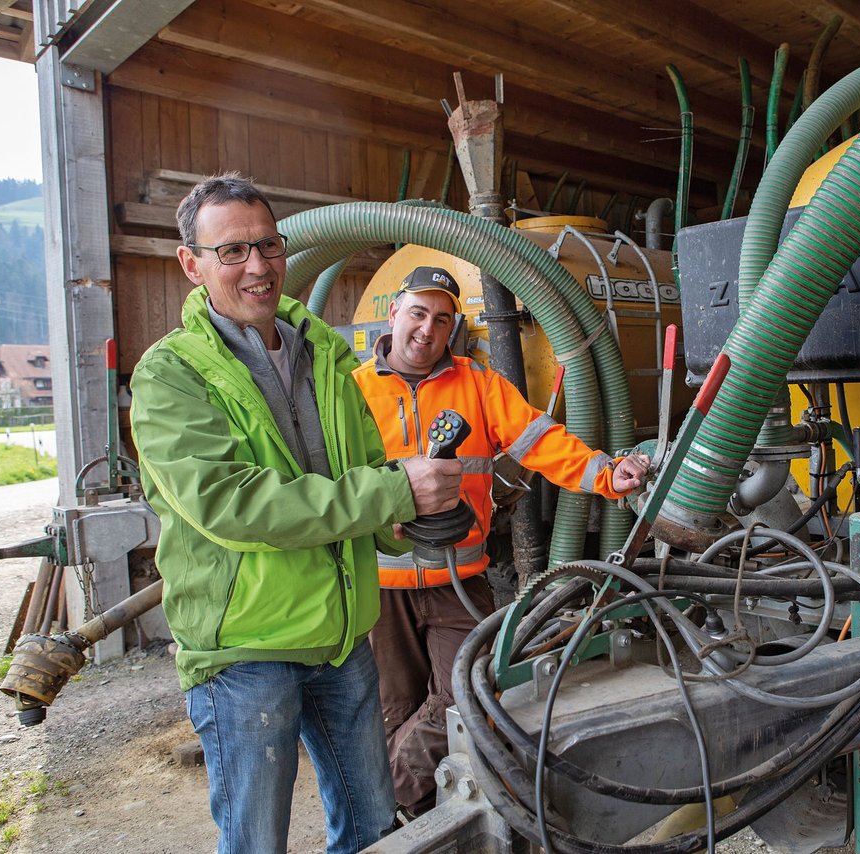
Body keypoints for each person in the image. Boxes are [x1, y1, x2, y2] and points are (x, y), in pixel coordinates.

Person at [129, 174, 462, 854]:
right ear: (191, 264)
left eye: (269, 245)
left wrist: (402, 519)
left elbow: (363, 469)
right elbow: (234, 504)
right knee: (257, 843)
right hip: (246, 653)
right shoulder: (171, 375)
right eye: (232, 251)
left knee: (373, 829)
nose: (258, 266)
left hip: (341, 639)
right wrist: (394, 493)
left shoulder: (324, 353)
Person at [352, 265, 649, 816]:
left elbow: (542, 441)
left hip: (458, 582)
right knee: (392, 710)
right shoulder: (352, 390)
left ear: (452, 328)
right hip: (380, 586)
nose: (426, 329)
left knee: (467, 699)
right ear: (393, 311)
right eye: (417, 313)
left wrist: (608, 474)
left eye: (442, 319)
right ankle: (418, 821)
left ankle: (386, 803)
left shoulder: (478, 384)